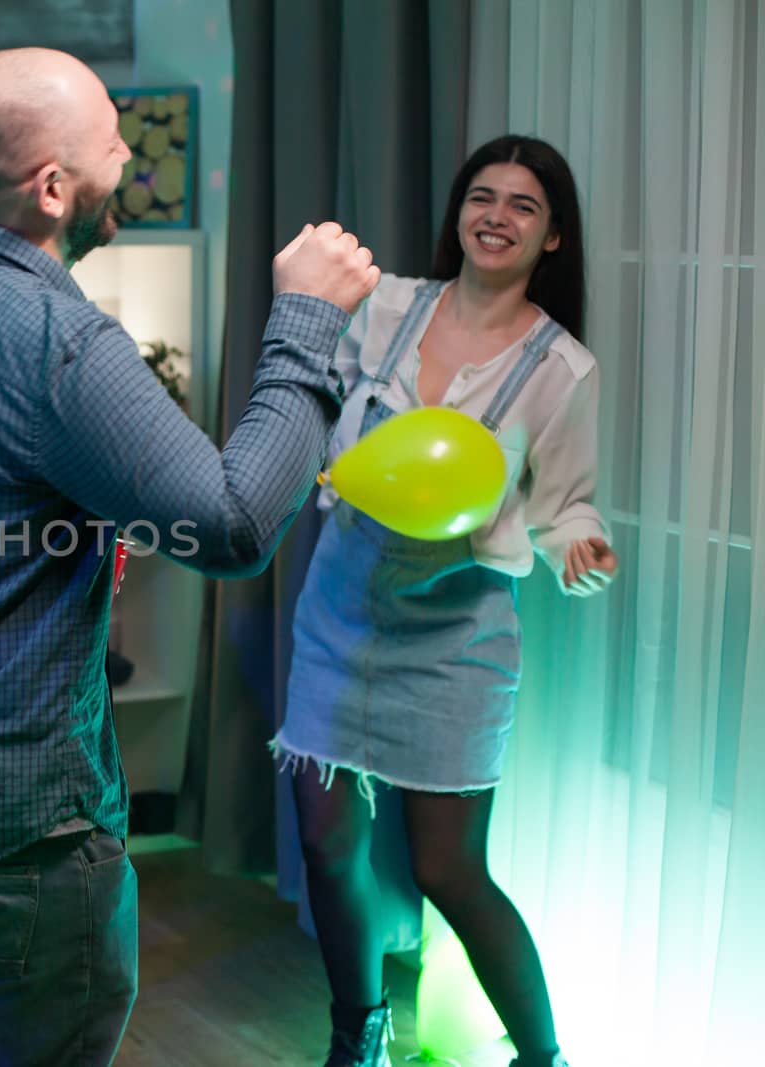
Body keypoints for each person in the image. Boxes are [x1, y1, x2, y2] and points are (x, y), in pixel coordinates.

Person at [0, 47, 379, 1066]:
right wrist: (308, 323)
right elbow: (229, 528)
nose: (127, 162)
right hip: (14, 839)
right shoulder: (59, 337)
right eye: (113, 141)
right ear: (54, 188)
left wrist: (24, 531)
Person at [272, 135, 617, 1067]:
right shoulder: (380, 308)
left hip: (455, 644)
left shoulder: (560, 368)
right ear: (459, 212)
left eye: (523, 205)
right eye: (482, 195)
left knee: (446, 870)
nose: (495, 215)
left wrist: (577, 538)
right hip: (338, 619)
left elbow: (561, 502)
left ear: (552, 237)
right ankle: (361, 1028)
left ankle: (542, 1054)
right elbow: (308, 407)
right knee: (327, 842)